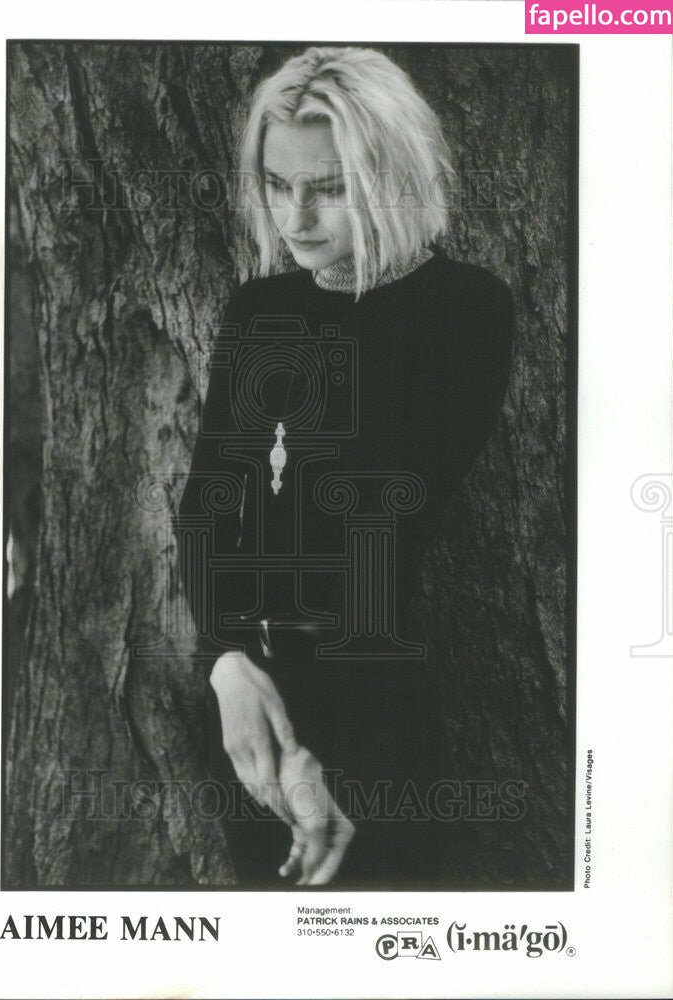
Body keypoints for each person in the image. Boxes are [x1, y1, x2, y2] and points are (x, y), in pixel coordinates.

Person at [176, 45, 514, 888]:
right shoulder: (259, 309)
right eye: (275, 183)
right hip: (245, 704)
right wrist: (225, 663)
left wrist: (308, 751)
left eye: (327, 187)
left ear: (390, 175)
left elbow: (376, 526)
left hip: (368, 703)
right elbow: (209, 507)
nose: (295, 217)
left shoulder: (462, 308)